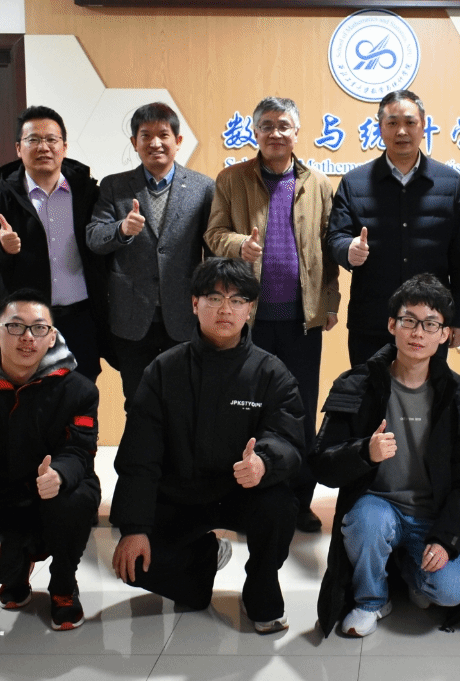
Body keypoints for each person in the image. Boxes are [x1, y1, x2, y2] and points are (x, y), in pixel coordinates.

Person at [111, 258, 306, 634]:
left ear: (250, 308)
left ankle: (260, 588)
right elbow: (139, 457)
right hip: (179, 496)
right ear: (194, 303)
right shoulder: (163, 370)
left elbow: (289, 438)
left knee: (279, 506)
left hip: (241, 493)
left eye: (237, 300)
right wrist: (133, 527)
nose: (225, 309)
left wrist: (263, 463)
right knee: (136, 567)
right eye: (214, 298)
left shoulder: (271, 372)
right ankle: (204, 558)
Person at [312, 274, 460, 638]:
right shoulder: (356, 384)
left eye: (431, 324)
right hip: (378, 508)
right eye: (409, 321)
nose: (418, 333)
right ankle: (371, 599)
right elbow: (321, 464)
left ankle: (406, 571)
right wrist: (364, 452)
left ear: (445, 334)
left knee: (452, 590)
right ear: (392, 325)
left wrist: (446, 539)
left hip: (433, 516)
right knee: (366, 521)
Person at [204, 96, 339, 534]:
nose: (275, 133)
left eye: (284, 126)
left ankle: (299, 500)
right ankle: (246, 500)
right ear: (255, 132)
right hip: (250, 320)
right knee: (247, 408)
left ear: (297, 133)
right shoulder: (232, 179)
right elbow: (213, 233)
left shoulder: (318, 183)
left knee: (298, 410)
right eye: (267, 125)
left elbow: (328, 247)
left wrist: (330, 303)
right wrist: (239, 245)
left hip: (302, 321)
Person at [0, 288, 101, 631]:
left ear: (52, 337)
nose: (28, 337)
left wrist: (59, 473)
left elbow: (80, 450)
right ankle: (17, 569)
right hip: (1, 502)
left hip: (54, 496)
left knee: (76, 496)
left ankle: (63, 584)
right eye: (15, 326)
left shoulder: (79, 390)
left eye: (39, 328)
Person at [324, 89, 460, 366]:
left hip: (430, 324)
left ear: (423, 126)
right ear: (380, 128)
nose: (402, 131)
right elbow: (335, 237)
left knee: (428, 394)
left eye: (410, 122)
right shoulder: (354, 182)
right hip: (372, 321)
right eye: (392, 123)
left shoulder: (449, 182)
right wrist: (348, 249)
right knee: (368, 393)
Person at [86, 102, 213, 411]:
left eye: (163, 135)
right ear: (134, 142)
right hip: (131, 316)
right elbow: (94, 238)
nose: (155, 143)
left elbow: (212, 249)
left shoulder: (203, 187)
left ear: (178, 141)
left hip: (183, 315)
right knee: (138, 402)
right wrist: (122, 229)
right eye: (146, 135)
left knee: (183, 402)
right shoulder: (114, 186)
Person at [0, 105, 108, 380]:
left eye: (51, 139)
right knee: (26, 398)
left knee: (81, 396)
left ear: (64, 147)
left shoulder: (88, 194)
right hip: (24, 327)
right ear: (18, 148)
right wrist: (0, 246)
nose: (43, 147)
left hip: (80, 320)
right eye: (33, 139)